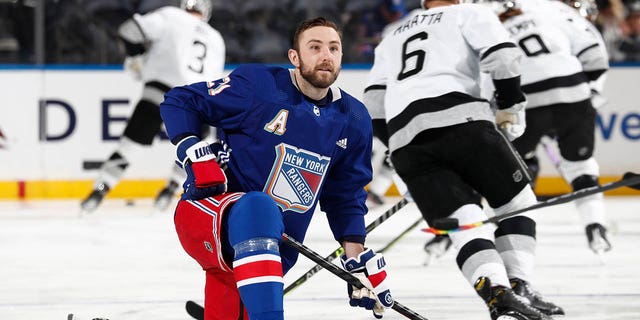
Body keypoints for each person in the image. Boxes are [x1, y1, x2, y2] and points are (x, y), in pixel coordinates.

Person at [159, 17, 394, 320]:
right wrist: (193, 153)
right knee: (260, 207)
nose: (326, 55)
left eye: (334, 48)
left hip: (275, 249)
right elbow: (181, 101)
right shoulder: (260, 87)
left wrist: (356, 259)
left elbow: (345, 196)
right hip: (208, 215)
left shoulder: (354, 119)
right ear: (294, 58)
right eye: (315, 47)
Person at [364, 0, 561, 319]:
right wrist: (512, 105)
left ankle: (498, 295)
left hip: (405, 145)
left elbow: (373, 104)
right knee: (516, 203)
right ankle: (519, 284)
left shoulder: (393, 33)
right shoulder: (469, 12)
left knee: (464, 222)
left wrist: (397, 154)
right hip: (463, 122)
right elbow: (503, 56)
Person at [80, 0, 226, 213]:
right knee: (194, 151)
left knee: (131, 145)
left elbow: (129, 31)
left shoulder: (171, 16)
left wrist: (136, 58)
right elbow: (214, 86)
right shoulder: (216, 39)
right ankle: (171, 189)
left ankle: (100, 189)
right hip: (192, 102)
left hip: (159, 92)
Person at [495, 0, 611, 255]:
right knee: (580, 165)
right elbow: (595, 58)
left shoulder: (488, 21)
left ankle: (505, 230)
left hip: (527, 99)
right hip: (573, 89)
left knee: (509, 170)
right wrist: (585, 92)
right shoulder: (553, 10)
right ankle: (595, 224)